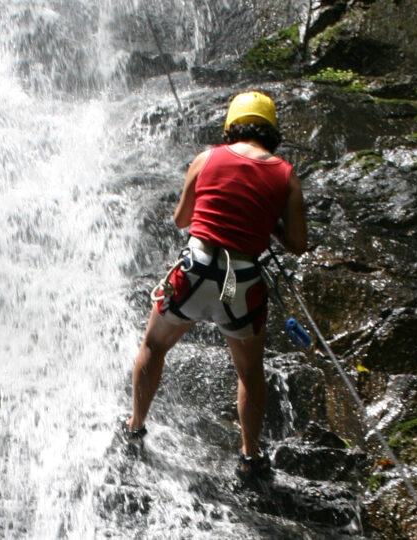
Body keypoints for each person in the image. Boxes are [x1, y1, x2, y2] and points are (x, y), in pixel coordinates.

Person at [123, 90, 307, 478]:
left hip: (196, 269)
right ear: (271, 132)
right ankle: (250, 456)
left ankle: (135, 429)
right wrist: (266, 222)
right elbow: (298, 243)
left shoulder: (207, 158)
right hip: (242, 281)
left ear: (230, 126)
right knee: (250, 373)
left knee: (154, 346)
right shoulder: (286, 175)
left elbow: (180, 219)